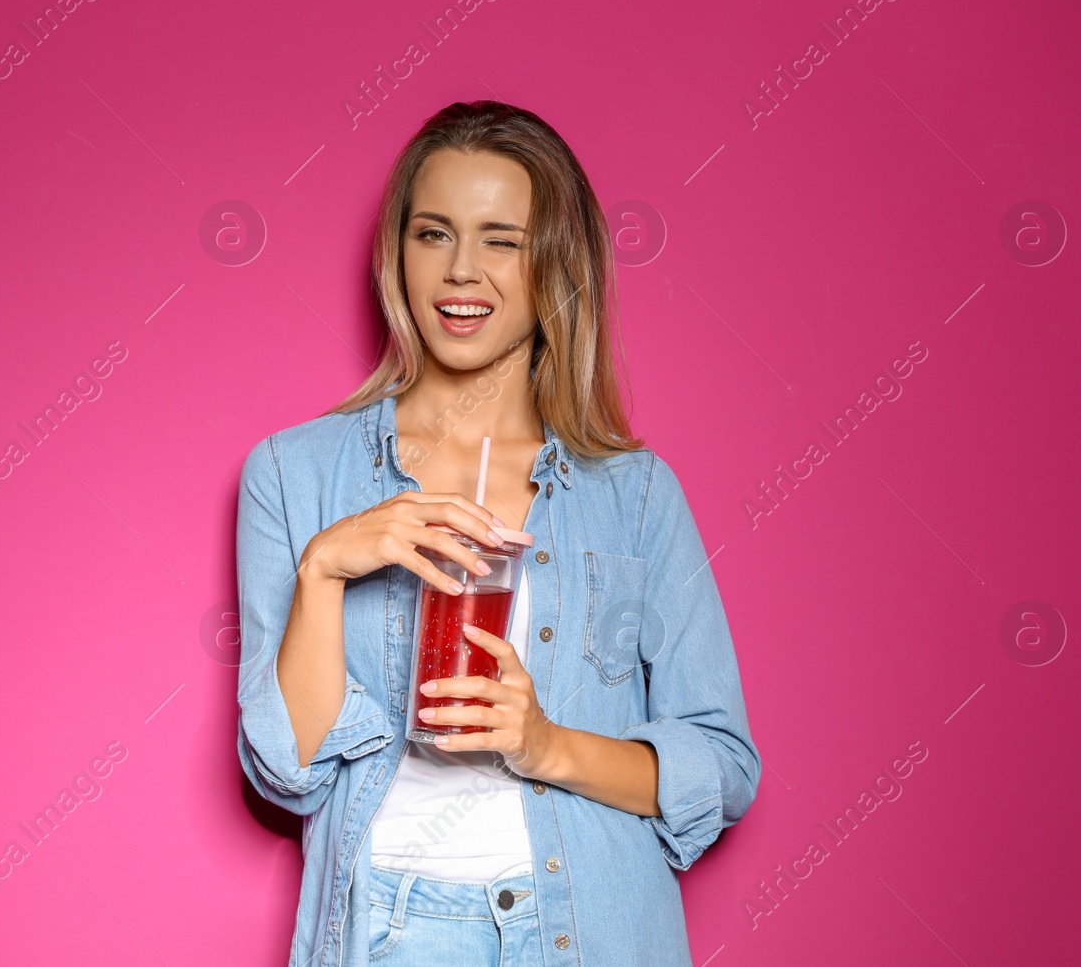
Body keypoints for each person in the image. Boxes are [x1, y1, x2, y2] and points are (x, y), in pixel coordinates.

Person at [235, 100, 760, 967]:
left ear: (554, 263)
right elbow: (287, 772)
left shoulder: (631, 494)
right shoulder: (294, 474)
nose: (461, 272)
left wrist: (543, 743)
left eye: (502, 239)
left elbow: (720, 761)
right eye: (433, 233)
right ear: (396, 252)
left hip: (590, 930)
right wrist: (326, 568)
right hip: (387, 928)